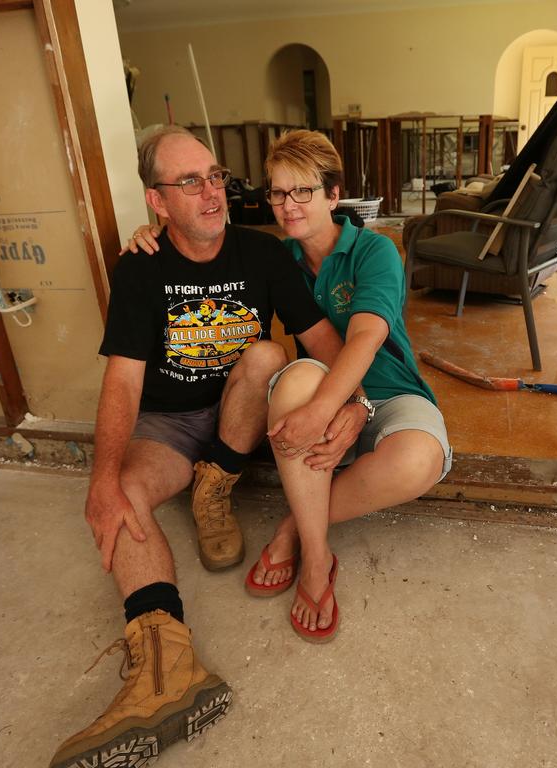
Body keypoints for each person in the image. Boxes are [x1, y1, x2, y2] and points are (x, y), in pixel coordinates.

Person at [49, 126, 347, 768]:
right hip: (171, 422)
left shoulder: (263, 255)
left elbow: (322, 340)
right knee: (126, 490)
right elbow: (124, 378)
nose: (211, 192)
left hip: (246, 414)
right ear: (157, 203)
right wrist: (101, 479)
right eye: (189, 181)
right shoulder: (141, 267)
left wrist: (352, 409)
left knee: (267, 352)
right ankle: (167, 666)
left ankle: (217, 486)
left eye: (214, 176)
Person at [127, 130, 452, 644]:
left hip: (387, 392)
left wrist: (355, 406)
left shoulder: (375, 250)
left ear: (333, 195)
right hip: (316, 394)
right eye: (278, 193)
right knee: (297, 372)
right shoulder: (276, 258)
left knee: (419, 460)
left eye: (303, 191)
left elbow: (365, 338)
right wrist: (156, 231)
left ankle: (293, 529)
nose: (288, 205)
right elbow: (196, 243)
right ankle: (318, 562)